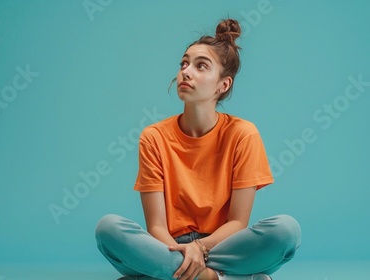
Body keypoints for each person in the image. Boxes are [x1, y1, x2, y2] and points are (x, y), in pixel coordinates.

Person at [95, 18, 301, 280]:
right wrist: (184, 251)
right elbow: (156, 226)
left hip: (223, 245)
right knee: (108, 229)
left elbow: (238, 223)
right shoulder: (154, 137)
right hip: (169, 246)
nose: (186, 71)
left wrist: (200, 248)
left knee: (285, 230)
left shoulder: (242, 134)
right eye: (184, 63)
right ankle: (217, 277)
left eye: (200, 66)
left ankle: (167, 274)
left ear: (223, 85)